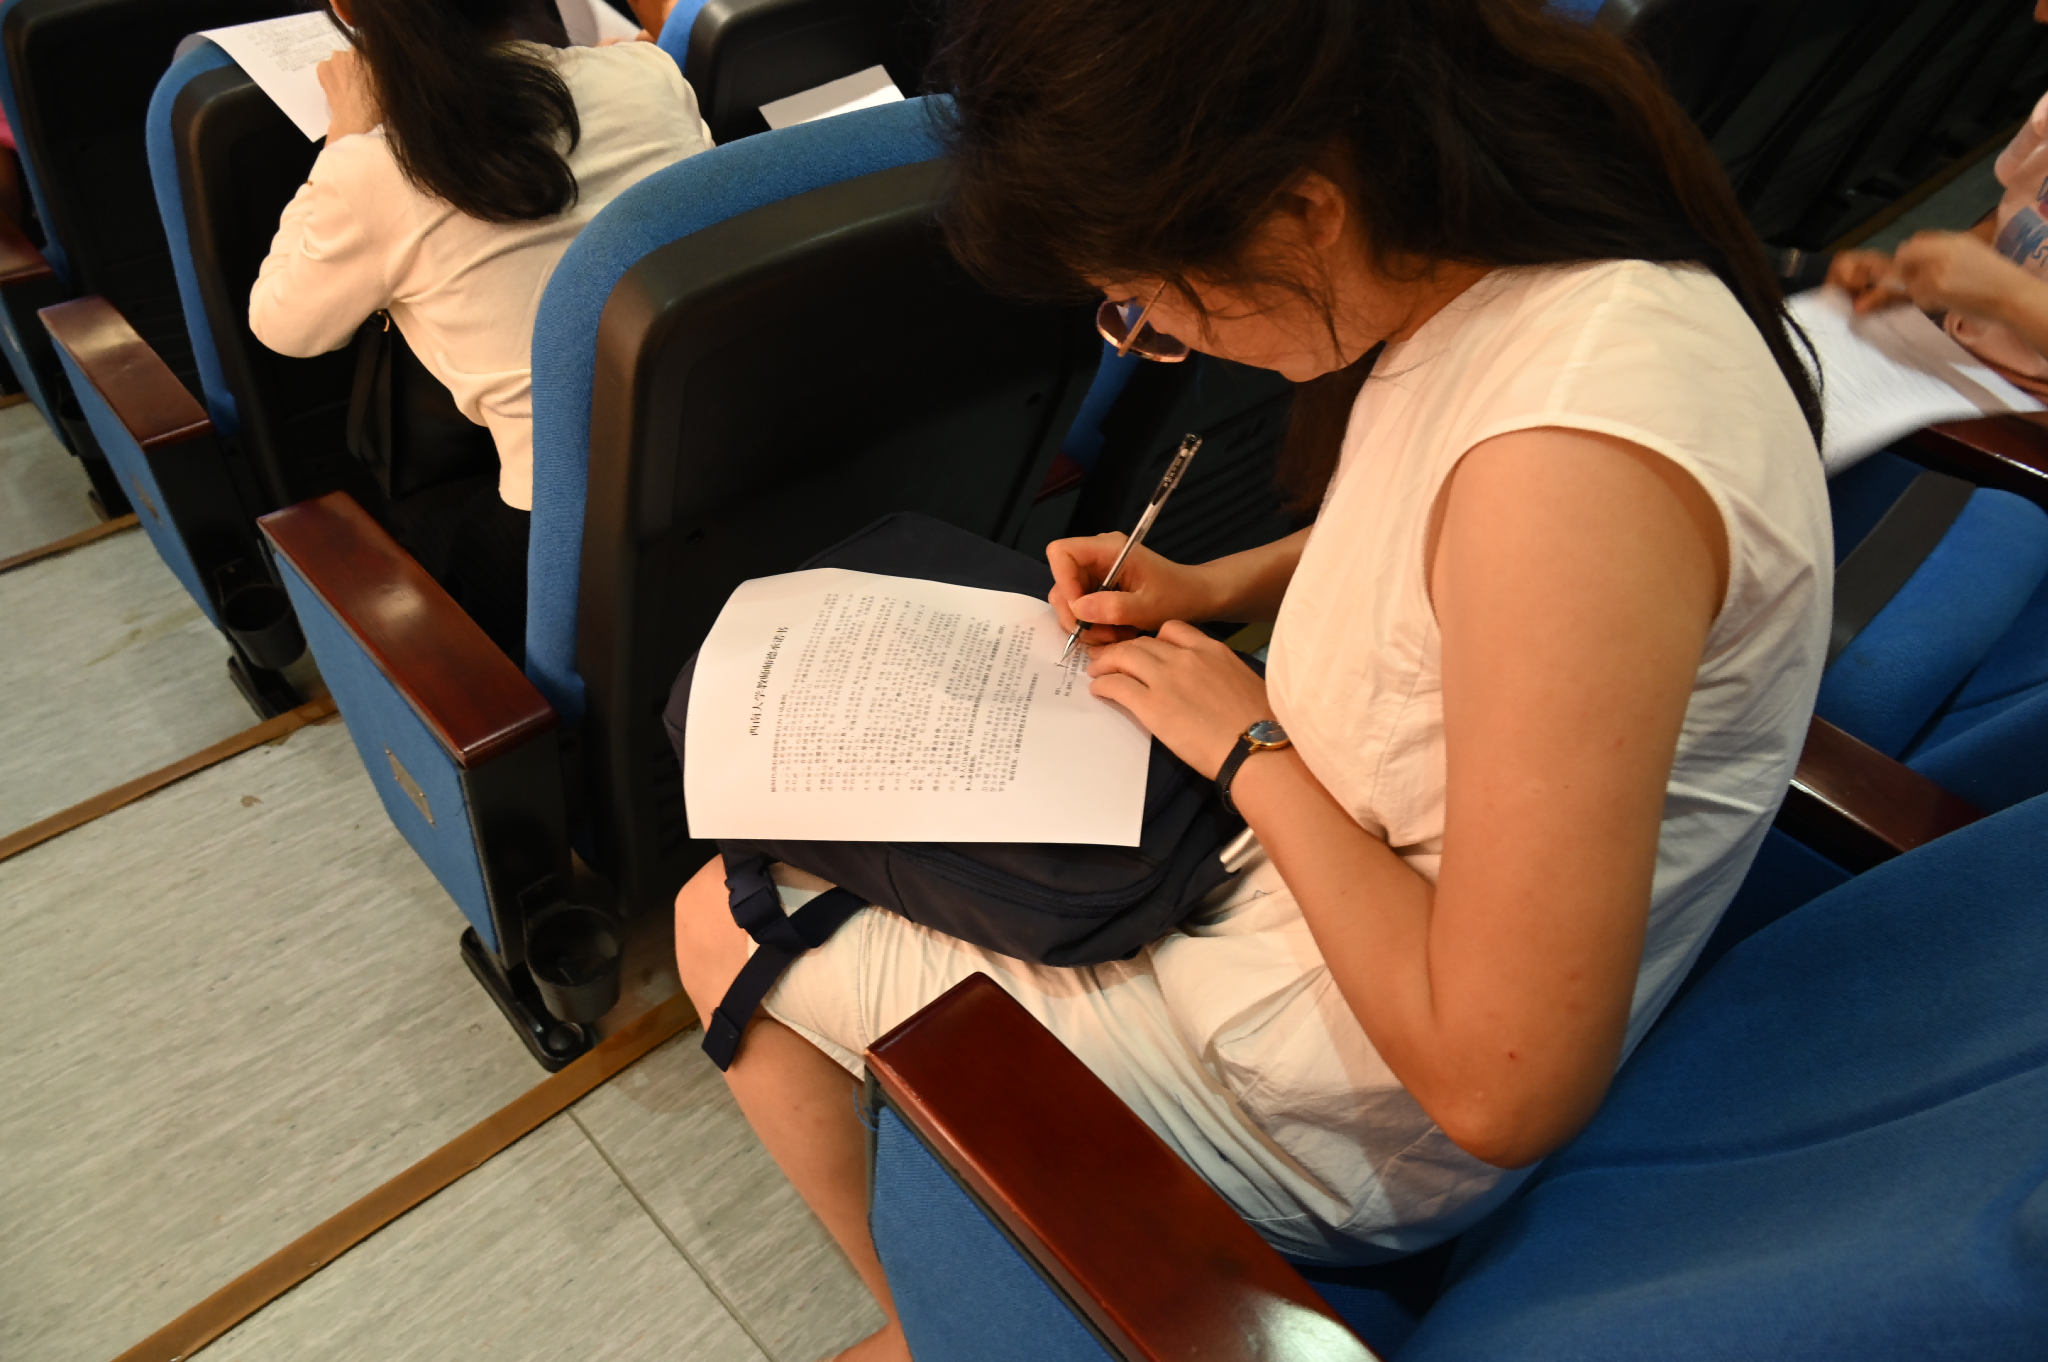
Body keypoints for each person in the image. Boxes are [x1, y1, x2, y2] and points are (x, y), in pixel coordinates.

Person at [671, 1, 1830, 1357]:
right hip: (1299, 902)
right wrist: (1222, 587)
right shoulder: (1529, 258)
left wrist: (1248, 746)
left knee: (723, 919)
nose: (1150, 333)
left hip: (1337, 1099)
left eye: (1149, 302)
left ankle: (950, 1324)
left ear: (1299, 212)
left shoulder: (1567, 477)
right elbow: (1448, 554)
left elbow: (1497, 1085)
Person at [248, 0, 714, 512]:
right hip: (730, 452)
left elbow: (282, 325)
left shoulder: (372, 167)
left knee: (433, 520)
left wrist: (344, 136)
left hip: (572, 517)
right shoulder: (649, 72)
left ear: (346, 9)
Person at [1828, 0, 2048, 395]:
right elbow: (2016, 218)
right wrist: (1925, 273)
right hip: (1965, 352)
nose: (2040, 11)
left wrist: (2008, 295)